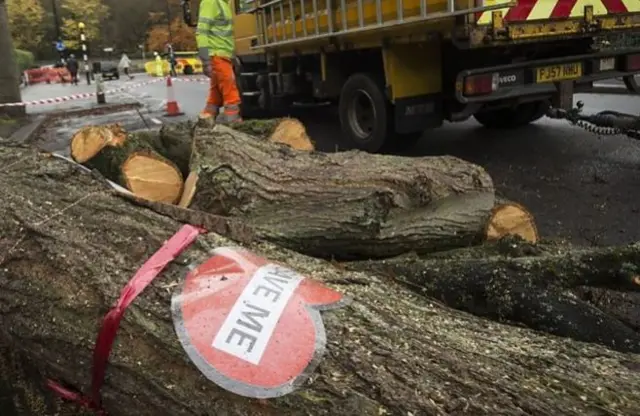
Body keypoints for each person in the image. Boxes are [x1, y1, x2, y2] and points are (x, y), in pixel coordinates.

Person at [196, 0, 242, 123]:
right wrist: (206, 60)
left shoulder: (224, 3)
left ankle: (207, 118)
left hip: (222, 55)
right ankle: (233, 121)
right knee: (230, 91)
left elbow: (226, 36)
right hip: (217, 55)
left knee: (215, 94)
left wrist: (232, 56)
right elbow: (201, 32)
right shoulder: (210, 2)